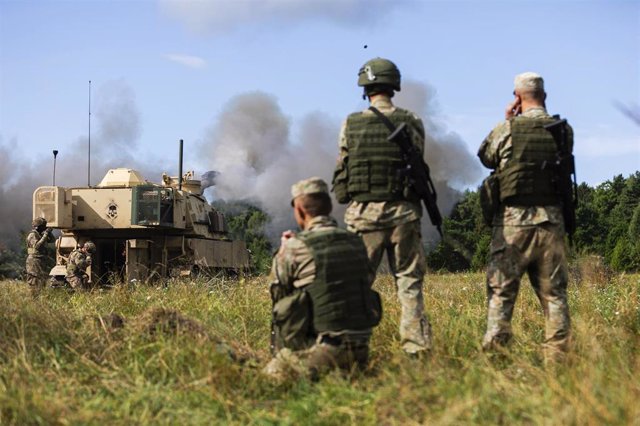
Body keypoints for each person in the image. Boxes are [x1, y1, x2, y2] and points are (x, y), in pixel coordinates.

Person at [331, 57, 432, 356]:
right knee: (409, 285)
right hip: (404, 214)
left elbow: (342, 170)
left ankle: (352, 349)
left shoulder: (352, 123)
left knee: (357, 285)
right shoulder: (412, 121)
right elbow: (418, 163)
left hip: (364, 215)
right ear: (394, 85)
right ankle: (416, 351)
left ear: (365, 86)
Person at [478, 72, 573, 363]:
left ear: (517, 97)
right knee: (553, 294)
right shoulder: (562, 130)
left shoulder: (507, 130)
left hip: (513, 224)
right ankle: (557, 359)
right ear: (544, 96)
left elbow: (485, 157)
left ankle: (497, 357)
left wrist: (508, 119)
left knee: (502, 291)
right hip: (551, 222)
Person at [263, 177, 382, 381]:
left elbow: (277, 293)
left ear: (300, 210)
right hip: (361, 350)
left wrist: (283, 251)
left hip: (325, 350)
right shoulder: (357, 242)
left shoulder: (295, 247)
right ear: (329, 206)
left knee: (269, 377)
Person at [25, 217, 54, 295]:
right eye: (43, 226)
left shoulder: (40, 234)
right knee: (34, 279)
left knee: (42, 278)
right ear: (38, 226)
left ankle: (40, 295)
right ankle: (33, 296)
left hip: (40, 259)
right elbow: (37, 246)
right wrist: (45, 234)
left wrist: (49, 233)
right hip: (34, 260)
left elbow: (52, 240)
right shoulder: (32, 235)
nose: (45, 227)